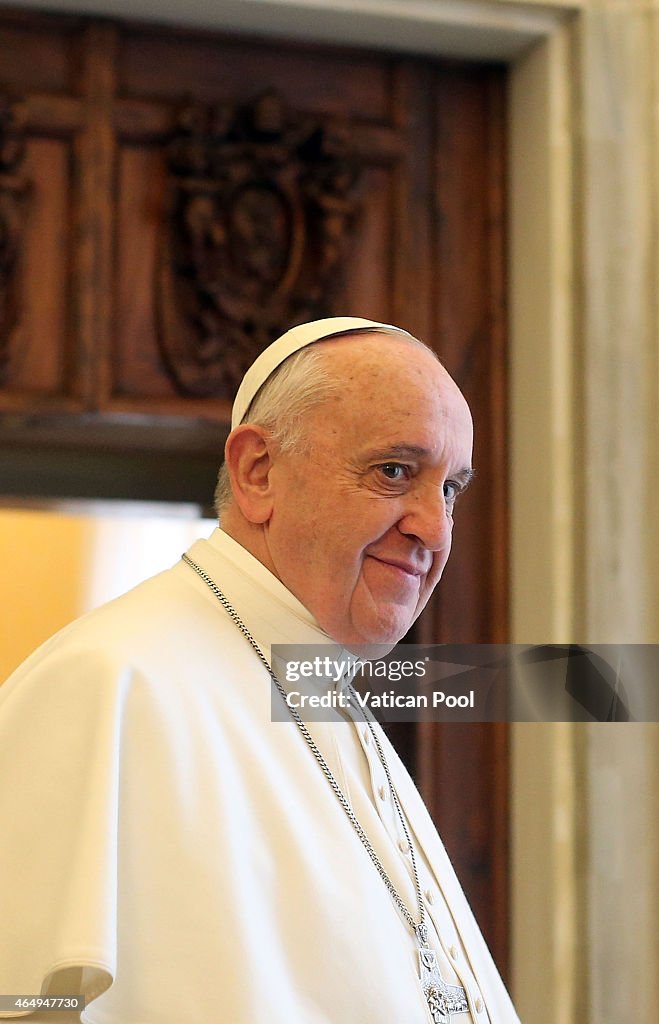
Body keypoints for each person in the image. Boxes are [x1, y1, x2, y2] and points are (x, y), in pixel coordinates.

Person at [0, 317, 520, 1024]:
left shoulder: (327, 693)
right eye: (394, 471)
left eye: (450, 489)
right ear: (257, 472)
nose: (433, 528)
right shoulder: (112, 684)